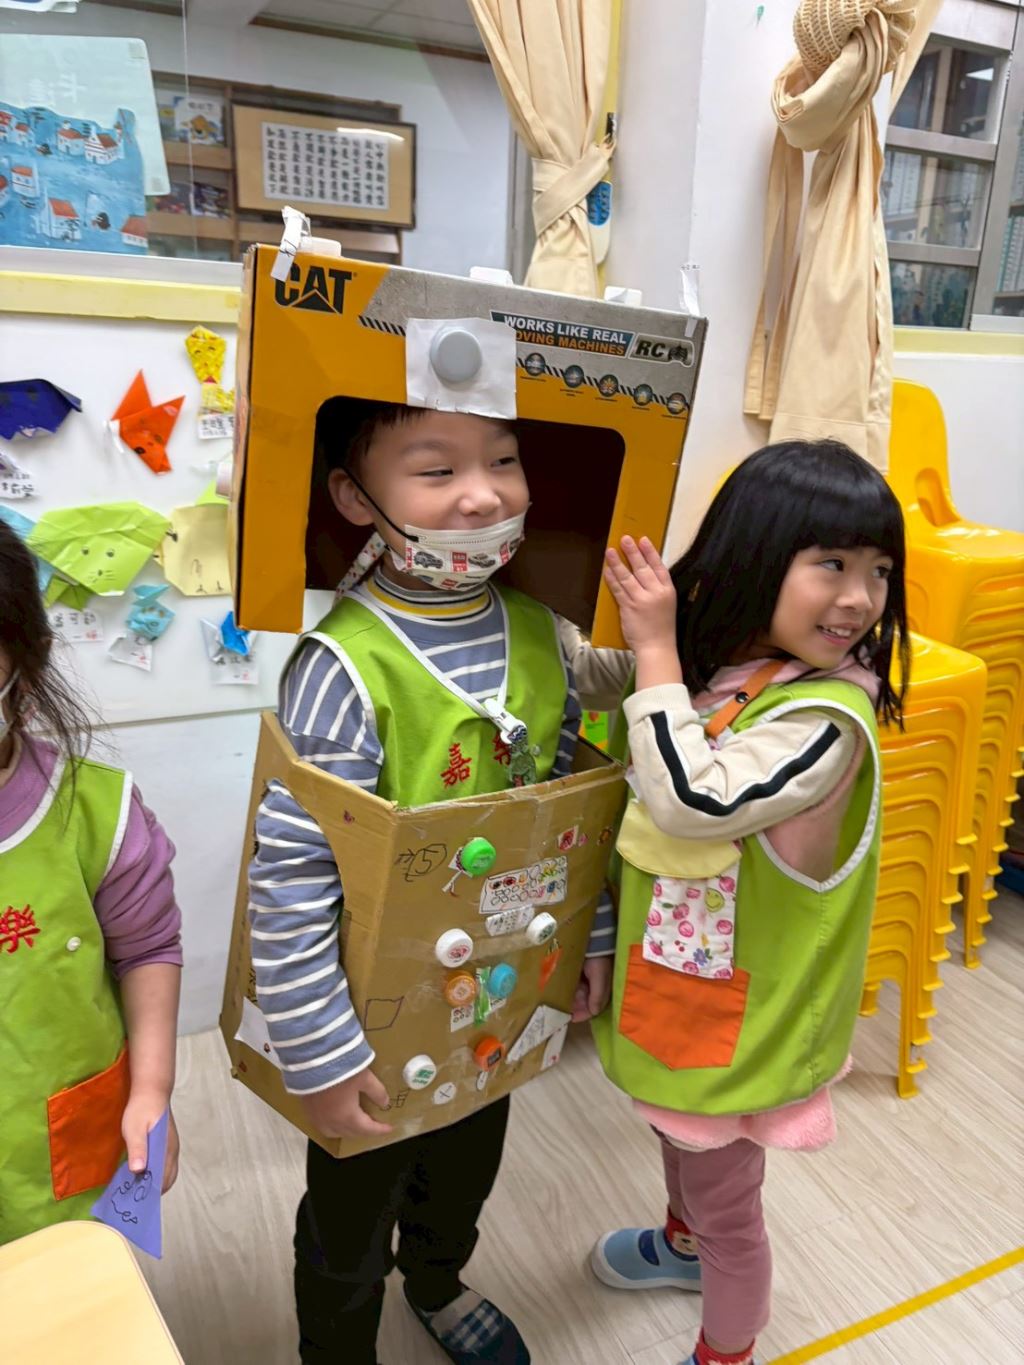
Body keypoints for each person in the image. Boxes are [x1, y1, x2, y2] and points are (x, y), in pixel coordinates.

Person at [249, 400, 628, 1365]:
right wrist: (319, 1054)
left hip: (497, 989)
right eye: (436, 469)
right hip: (369, 1017)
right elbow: (290, 875)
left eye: (503, 460)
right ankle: (338, 1349)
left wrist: (587, 937)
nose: (482, 495)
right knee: (349, 1219)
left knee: (464, 1169)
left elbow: (566, 810)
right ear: (355, 495)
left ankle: (437, 1279)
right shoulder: (342, 666)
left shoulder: (543, 631)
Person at [590, 441, 909, 1365]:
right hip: (680, 994)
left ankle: (725, 1349)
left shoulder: (825, 719)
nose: (860, 598)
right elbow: (607, 685)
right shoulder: (738, 669)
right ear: (753, 556)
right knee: (676, 1133)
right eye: (832, 564)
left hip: (750, 1021)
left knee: (729, 1204)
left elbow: (691, 800)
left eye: (877, 570)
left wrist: (656, 648)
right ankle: (681, 1244)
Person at [0, 520, 181, 1246]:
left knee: (71, 1292)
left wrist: (153, 1089)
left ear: (27, 661)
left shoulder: (96, 812)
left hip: (61, 1147)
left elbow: (148, 949)